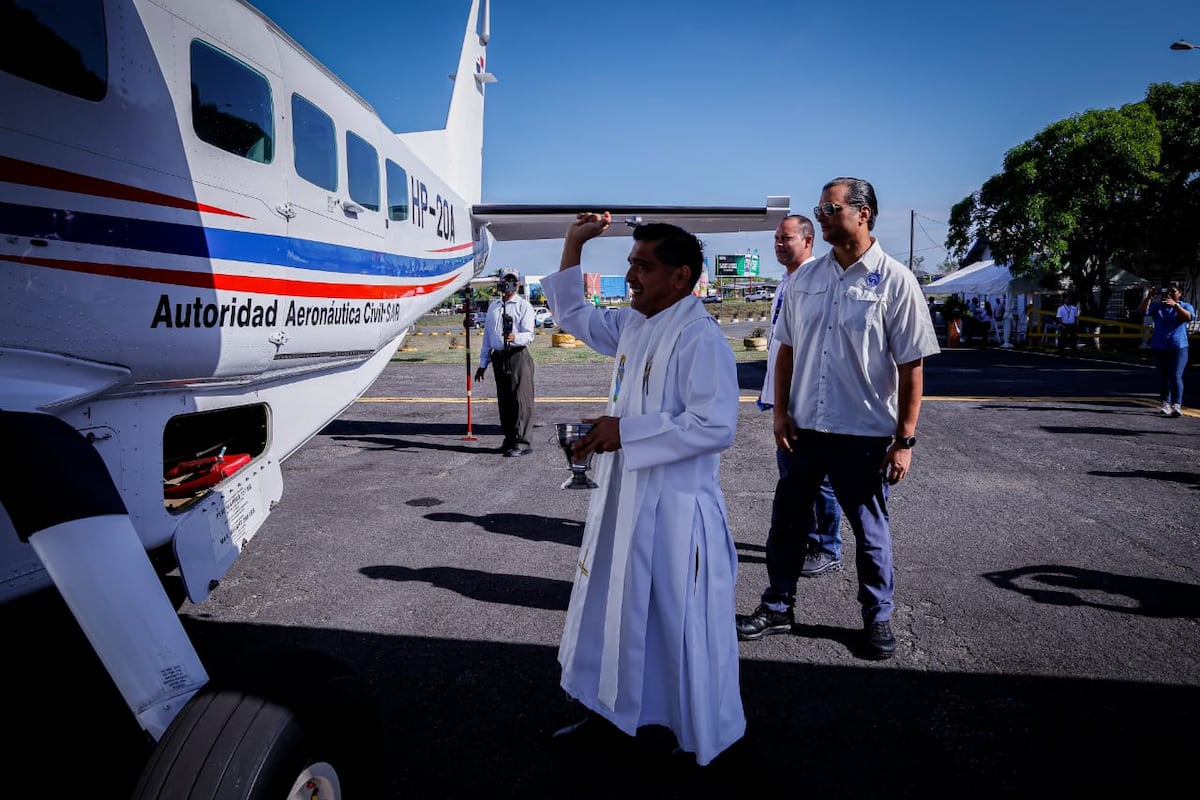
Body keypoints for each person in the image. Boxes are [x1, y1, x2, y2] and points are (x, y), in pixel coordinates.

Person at [542, 212, 744, 766]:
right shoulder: (634, 324)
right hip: (623, 503)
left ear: (681, 277)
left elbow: (716, 425)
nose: (631, 275)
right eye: (630, 263)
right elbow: (574, 314)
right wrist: (573, 244)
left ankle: (685, 730)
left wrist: (624, 432)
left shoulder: (700, 337)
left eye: (643, 266)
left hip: (675, 513)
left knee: (674, 626)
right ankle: (611, 711)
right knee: (614, 611)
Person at [736, 177, 940, 660]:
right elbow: (785, 350)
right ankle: (778, 605)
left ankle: (877, 618)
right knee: (787, 525)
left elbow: (912, 366)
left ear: (862, 212)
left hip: (864, 436)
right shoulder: (804, 280)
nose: (821, 216)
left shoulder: (895, 280)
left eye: (829, 208)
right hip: (804, 431)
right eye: (819, 209)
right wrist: (781, 411)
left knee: (870, 533)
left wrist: (904, 441)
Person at [761, 215, 844, 578]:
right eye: (776, 238)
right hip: (787, 400)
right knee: (792, 479)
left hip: (809, 399)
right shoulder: (787, 281)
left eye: (786, 238)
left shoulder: (818, 281)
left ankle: (828, 546)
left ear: (808, 241)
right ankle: (808, 539)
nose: (779, 244)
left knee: (820, 481)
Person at [474, 267, 536, 456]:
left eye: (513, 281)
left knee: (521, 400)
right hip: (498, 357)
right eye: (506, 280)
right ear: (500, 283)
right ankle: (509, 439)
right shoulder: (494, 306)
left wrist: (514, 337)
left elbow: (529, 335)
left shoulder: (523, 306)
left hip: (517, 355)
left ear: (518, 284)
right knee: (505, 400)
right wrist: (483, 364)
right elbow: (487, 337)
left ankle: (522, 443)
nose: (510, 284)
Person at [1138, 282, 1194, 417]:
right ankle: (1165, 403)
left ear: (1180, 293)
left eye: (1173, 291)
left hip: (1178, 347)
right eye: (1166, 292)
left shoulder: (1185, 306)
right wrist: (1149, 297)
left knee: (1175, 375)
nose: (1169, 294)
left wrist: (1175, 306)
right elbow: (1142, 311)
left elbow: (1188, 317)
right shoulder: (1157, 307)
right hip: (1159, 347)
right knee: (1163, 377)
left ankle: (1177, 404)